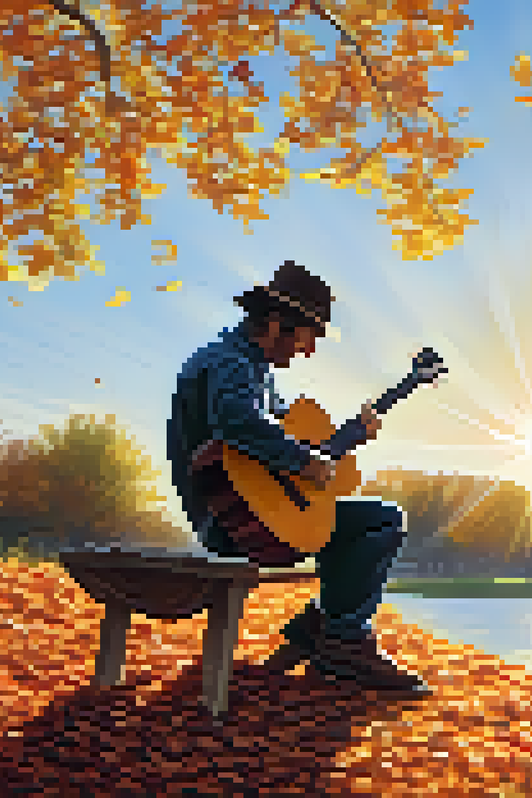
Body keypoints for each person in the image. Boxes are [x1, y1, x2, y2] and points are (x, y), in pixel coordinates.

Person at [167, 259, 427, 695]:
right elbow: (237, 421)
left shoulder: (254, 371)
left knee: (357, 520)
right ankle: (340, 639)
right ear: (275, 324)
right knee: (382, 520)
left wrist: (349, 439)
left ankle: (322, 631)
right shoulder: (229, 362)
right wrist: (305, 462)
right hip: (233, 521)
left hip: (250, 512)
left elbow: (291, 452)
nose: (306, 352)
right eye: (307, 340)